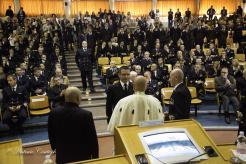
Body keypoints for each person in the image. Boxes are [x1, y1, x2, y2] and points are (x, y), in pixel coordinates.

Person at [48, 87, 99, 163]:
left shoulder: (54, 112)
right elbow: (92, 138)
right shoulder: (86, 114)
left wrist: (55, 147)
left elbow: (51, 133)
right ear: (78, 98)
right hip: (82, 156)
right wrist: (95, 157)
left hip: (62, 155)